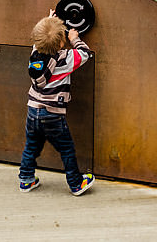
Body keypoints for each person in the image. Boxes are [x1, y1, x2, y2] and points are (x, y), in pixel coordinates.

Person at [18, 10, 95, 195]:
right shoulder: (64, 59)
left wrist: (51, 21)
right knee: (66, 149)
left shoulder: (35, 52)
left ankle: (26, 180)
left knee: (31, 146)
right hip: (53, 114)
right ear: (62, 43)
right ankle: (76, 184)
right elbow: (85, 54)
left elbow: (43, 38)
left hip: (33, 110)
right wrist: (74, 38)